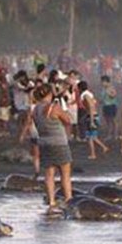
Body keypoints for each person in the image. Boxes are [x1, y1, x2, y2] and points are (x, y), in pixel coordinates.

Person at [29, 83, 73, 214]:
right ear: (50, 94)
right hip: (59, 142)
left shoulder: (35, 109)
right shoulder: (54, 107)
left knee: (49, 174)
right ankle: (68, 199)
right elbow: (68, 121)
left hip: (44, 143)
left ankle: (52, 201)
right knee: (65, 173)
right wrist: (63, 111)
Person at [78, 80, 108, 159]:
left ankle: (93, 154)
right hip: (93, 116)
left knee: (90, 137)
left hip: (92, 117)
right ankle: (103, 147)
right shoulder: (89, 94)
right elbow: (93, 104)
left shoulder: (85, 95)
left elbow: (91, 107)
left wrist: (91, 121)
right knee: (93, 136)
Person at [100, 75, 120, 140]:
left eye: (103, 82)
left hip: (111, 106)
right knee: (108, 121)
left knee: (113, 120)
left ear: (107, 82)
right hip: (105, 106)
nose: (102, 83)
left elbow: (114, 95)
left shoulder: (111, 88)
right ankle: (110, 135)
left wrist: (109, 93)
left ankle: (115, 135)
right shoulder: (103, 89)